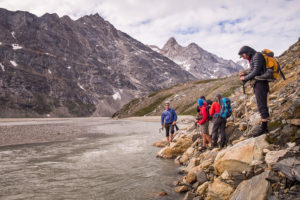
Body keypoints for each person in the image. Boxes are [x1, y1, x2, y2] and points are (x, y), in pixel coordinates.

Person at [238, 46, 269, 137]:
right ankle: (264, 126)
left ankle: (264, 128)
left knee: (262, 104)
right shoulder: (253, 58)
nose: (243, 57)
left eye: (242, 55)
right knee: (260, 104)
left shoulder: (257, 56)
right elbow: (253, 72)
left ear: (246, 52)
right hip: (258, 83)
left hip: (261, 83)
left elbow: (256, 72)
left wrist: (245, 78)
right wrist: (245, 75)